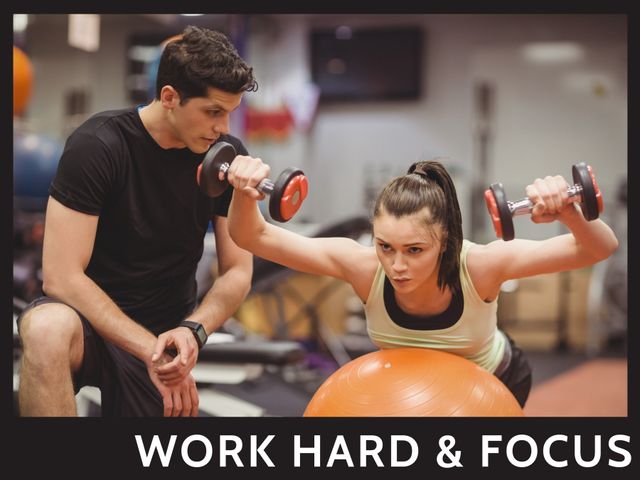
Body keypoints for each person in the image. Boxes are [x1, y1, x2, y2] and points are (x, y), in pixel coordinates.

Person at [224, 158, 619, 407]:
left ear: (445, 241)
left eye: (415, 250)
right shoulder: (362, 266)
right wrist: (244, 193)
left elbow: (599, 248)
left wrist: (569, 214)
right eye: (385, 246)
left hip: (492, 385)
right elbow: (254, 237)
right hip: (403, 393)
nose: (396, 266)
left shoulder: (480, 265)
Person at [16, 26, 258, 417]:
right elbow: (60, 277)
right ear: (169, 97)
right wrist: (147, 347)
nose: (223, 128)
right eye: (213, 112)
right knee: (46, 329)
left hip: (169, 331)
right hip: (91, 325)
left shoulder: (225, 156)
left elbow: (237, 272)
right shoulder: (99, 145)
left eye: (230, 113)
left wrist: (192, 331)